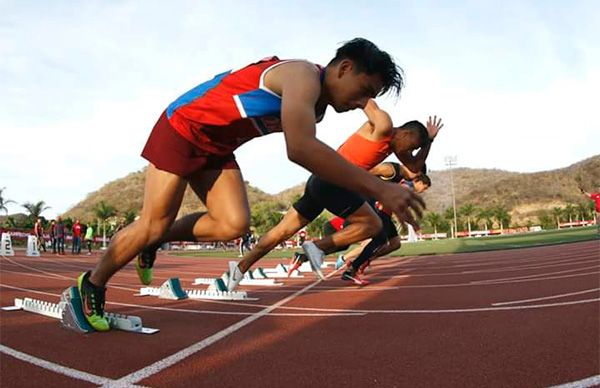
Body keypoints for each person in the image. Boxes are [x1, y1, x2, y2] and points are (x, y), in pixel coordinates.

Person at [77, 38, 425, 331]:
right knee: (153, 222)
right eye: (363, 92)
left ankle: (154, 240)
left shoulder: (318, 108)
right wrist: (379, 187)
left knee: (233, 224)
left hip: (216, 147)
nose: (361, 104)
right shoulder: (303, 76)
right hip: (184, 127)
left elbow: (313, 150)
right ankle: (90, 284)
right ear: (344, 68)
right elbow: (300, 148)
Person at [226, 108, 442, 291]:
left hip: (321, 179)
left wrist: (429, 141)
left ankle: (237, 271)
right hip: (334, 181)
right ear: (406, 134)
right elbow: (365, 102)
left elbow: (414, 168)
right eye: (413, 147)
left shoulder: (398, 149)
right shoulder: (384, 124)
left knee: (282, 231)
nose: (411, 153)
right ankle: (317, 248)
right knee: (374, 225)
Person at [338, 165, 432, 285]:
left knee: (395, 243)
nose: (423, 191)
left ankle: (363, 260)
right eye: (424, 188)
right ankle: (353, 267)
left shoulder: (405, 185)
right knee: (380, 241)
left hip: (385, 214)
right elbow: (400, 209)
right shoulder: (405, 186)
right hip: (380, 212)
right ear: (417, 181)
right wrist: (414, 224)